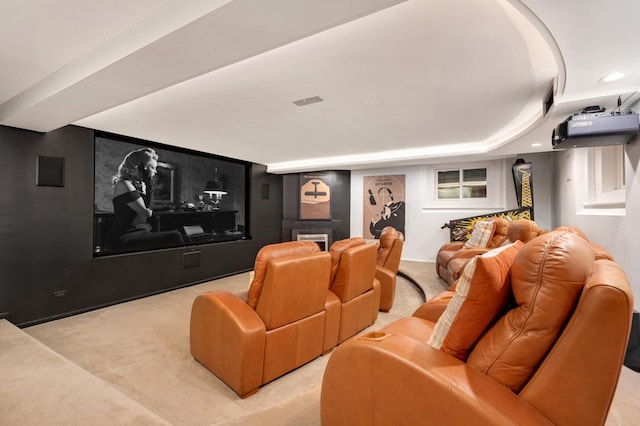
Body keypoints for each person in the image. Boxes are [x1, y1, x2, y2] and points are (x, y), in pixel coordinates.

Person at [105, 148, 183, 252]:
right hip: (124, 236)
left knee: (182, 233)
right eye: (152, 168)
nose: (155, 172)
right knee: (175, 236)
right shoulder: (123, 184)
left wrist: (173, 207)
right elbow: (146, 212)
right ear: (140, 168)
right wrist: (150, 183)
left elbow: (145, 207)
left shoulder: (139, 186)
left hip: (141, 233)